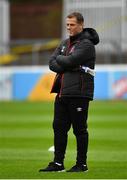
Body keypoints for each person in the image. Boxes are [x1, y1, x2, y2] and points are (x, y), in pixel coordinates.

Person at [39, 12, 99, 172]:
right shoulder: (65, 42)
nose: (69, 28)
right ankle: (58, 163)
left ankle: (82, 164)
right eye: (67, 24)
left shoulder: (86, 44)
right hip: (62, 92)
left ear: (81, 25)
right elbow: (52, 63)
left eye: (72, 25)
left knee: (79, 129)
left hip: (79, 92)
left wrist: (63, 60)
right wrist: (66, 62)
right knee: (58, 128)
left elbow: (69, 60)